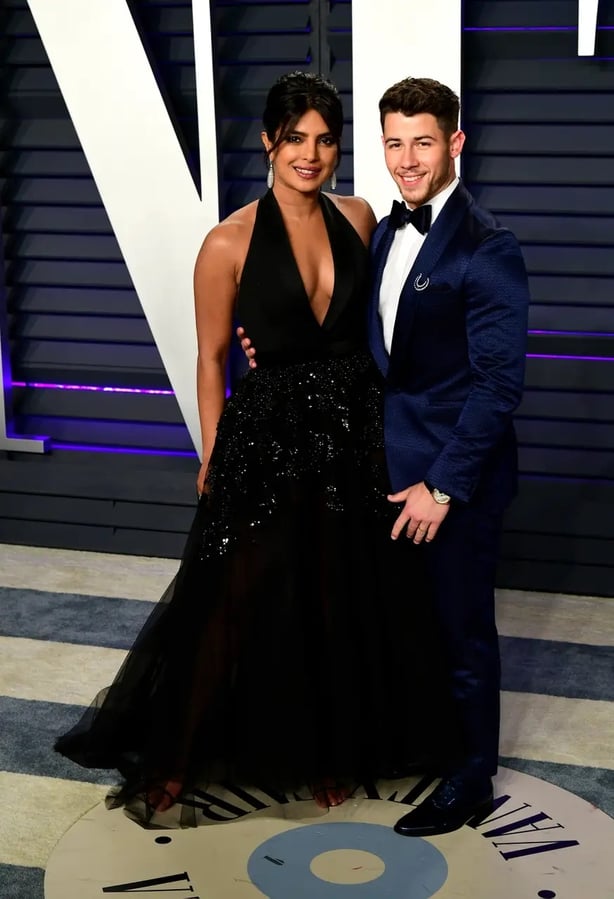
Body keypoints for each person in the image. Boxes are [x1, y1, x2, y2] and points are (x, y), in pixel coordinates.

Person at [55, 71, 440, 826]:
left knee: (338, 595)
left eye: (326, 139)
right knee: (230, 598)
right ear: (268, 141)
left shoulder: (359, 217)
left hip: (352, 433)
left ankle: (334, 751)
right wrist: (210, 451)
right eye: (295, 137)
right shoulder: (227, 241)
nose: (311, 153)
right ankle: (173, 758)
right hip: (265, 438)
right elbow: (209, 359)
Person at [241, 76, 530, 837]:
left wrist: (444, 485)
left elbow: (499, 386)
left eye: (424, 142)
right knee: (409, 624)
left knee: (463, 628)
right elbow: (353, 335)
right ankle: (426, 743)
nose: (407, 159)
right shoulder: (377, 230)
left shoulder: (489, 247)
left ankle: (471, 779)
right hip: (379, 466)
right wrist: (267, 346)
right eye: (395, 142)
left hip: (450, 481)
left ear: (455, 144)